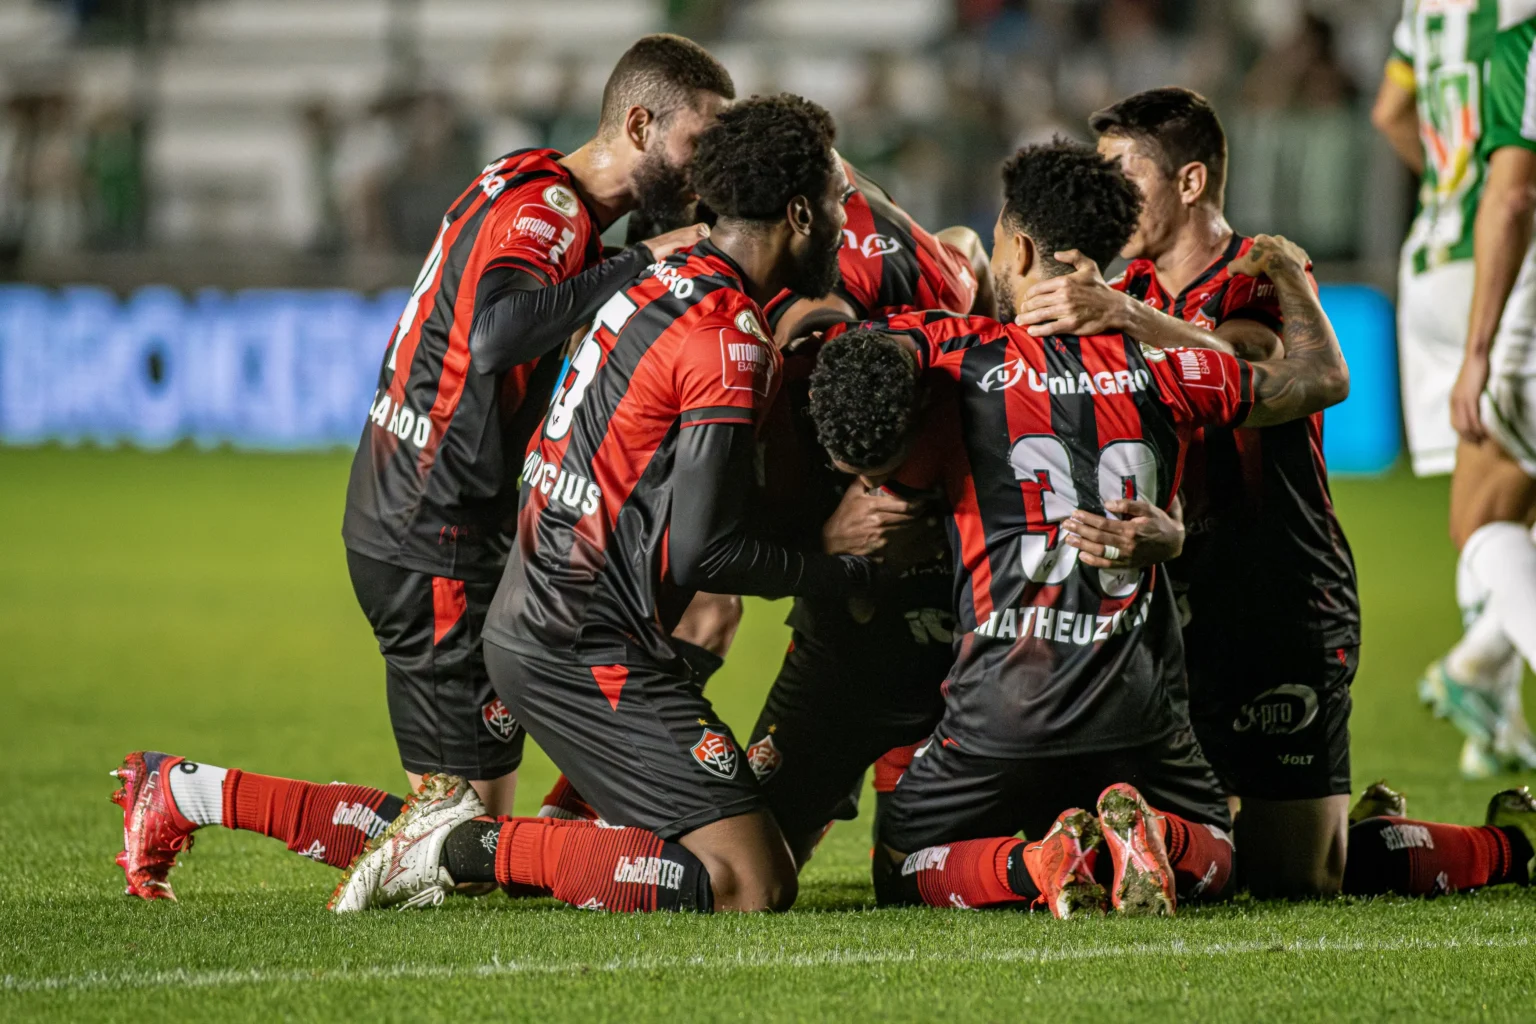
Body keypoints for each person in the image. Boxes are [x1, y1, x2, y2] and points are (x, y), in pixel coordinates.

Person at [108, 34, 733, 901]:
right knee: (456, 846)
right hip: (428, 533)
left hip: (436, 518)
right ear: (638, 123)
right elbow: (497, 334)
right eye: (699, 143)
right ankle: (183, 791)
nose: (708, 170)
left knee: (683, 625)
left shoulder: (529, 179)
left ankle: (554, 838)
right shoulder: (550, 214)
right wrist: (641, 262)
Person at [331, 94, 882, 916]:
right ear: (801, 212)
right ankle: (452, 841)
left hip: (547, 608)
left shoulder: (658, 277)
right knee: (751, 885)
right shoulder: (728, 338)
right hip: (581, 641)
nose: (847, 225)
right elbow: (704, 555)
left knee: (695, 838)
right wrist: (847, 571)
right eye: (839, 205)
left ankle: (473, 834)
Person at [809, 141, 1352, 918]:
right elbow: (1319, 379)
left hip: (998, 716)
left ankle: (1037, 865)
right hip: (1138, 718)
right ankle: (1153, 836)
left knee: (903, 866)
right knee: (1230, 853)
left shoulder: (957, 356)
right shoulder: (1160, 362)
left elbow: (854, 375)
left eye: (995, 240)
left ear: (1021, 248)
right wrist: (1294, 283)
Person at [1009, 88, 1359, 897]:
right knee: (1200, 835)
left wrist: (1124, 315)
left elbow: (1259, 371)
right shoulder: (1124, 283)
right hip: (1169, 592)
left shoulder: (1258, 270)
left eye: (1126, 173)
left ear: (1191, 181)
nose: (1113, 194)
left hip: (1277, 592)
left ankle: (1481, 848)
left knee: (1297, 878)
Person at [1373, 0, 1536, 776]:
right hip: (1502, 262)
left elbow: (1390, 111)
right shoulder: (1518, 21)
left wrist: (1447, 178)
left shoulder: (1424, 7)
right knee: (1495, 500)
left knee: (1488, 498)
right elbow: (1513, 192)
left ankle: (1491, 719)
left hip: (1432, 254)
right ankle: (1483, 670)